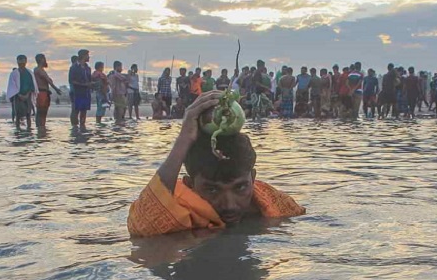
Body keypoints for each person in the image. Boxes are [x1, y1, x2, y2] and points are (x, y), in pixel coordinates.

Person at [127, 91, 305, 237]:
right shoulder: (179, 208)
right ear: (190, 186)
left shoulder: (271, 204)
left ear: (253, 179)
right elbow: (142, 227)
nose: (229, 205)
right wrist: (184, 139)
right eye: (212, 190)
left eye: (240, 188)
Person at [8, 55, 39, 130]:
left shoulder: (29, 72)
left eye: (23, 61)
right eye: (20, 61)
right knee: (18, 115)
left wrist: (27, 94)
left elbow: (33, 85)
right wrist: (19, 95)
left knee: (28, 114)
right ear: (17, 62)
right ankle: (18, 130)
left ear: (26, 61)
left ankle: (29, 130)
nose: (21, 62)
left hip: (28, 96)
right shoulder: (14, 73)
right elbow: (12, 86)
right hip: (17, 96)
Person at [33, 54, 62, 129]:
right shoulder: (38, 70)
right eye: (44, 59)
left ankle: (42, 128)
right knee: (41, 112)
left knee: (43, 112)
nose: (45, 60)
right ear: (41, 60)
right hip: (41, 93)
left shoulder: (41, 70)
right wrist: (56, 89)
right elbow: (47, 80)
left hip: (44, 93)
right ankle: (40, 128)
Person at [109, 61, 129, 126]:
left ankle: (117, 120)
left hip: (117, 93)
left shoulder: (113, 74)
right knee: (121, 107)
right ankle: (120, 120)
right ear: (117, 67)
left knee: (118, 107)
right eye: (120, 67)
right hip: (118, 93)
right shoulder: (115, 74)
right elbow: (124, 78)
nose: (121, 68)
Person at [68, 55, 79, 127]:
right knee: (75, 109)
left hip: (73, 91)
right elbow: (72, 81)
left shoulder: (73, 68)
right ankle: (74, 124)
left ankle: (74, 125)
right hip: (74, 91)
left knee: (75, 109)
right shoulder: (73, 68)